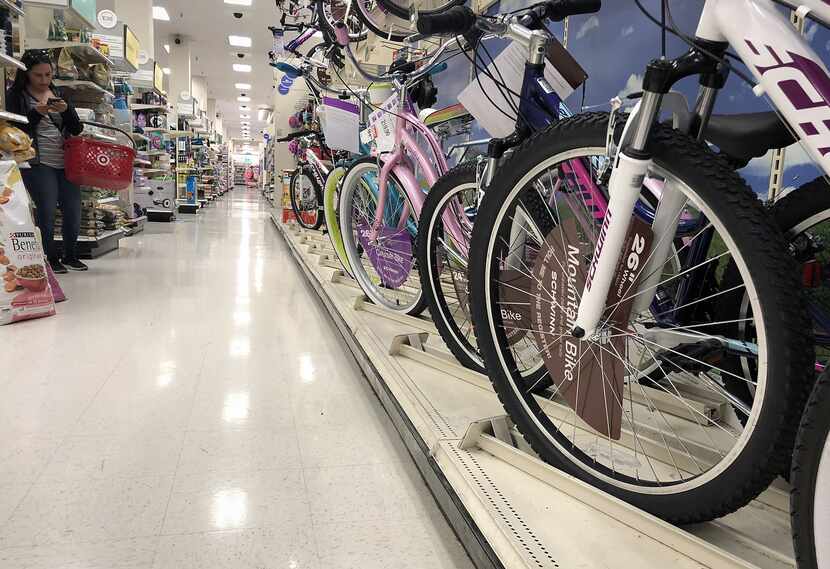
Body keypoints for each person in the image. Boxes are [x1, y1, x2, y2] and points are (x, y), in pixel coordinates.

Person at [7, 50, 85, 273]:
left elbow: (76, 128)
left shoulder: (57, 92)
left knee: (73, 209)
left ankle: (71, 255)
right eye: (38, 75)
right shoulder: (17, 96)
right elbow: (16, 131)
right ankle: (50, 258)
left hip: (67, 162)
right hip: (38, 163)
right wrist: (37, 113)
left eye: (48, 75)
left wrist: (67, 110)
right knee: (46, 210)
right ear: (27, 74)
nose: (43, 80)